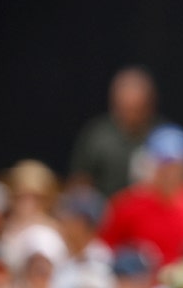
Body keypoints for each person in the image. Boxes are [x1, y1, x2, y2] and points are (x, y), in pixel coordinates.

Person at [98, 124, 183, 266]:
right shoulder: (126, 205)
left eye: (177, 166)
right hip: (139, 284)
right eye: (163, 165)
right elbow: (105, 252)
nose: (170, 173)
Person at [68, 66, 162, 198]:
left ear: (150, 104)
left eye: (137, 109)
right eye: (125, 108)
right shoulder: (98, 135)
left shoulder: (166, 136)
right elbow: (80, 181)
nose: (131, 116)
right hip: (105, 212)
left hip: (154, 213)